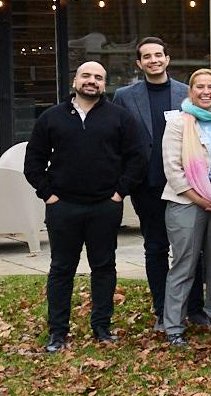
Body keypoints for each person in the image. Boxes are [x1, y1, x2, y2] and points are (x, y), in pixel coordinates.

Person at [24, 59, 143, 351]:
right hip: (63, 206)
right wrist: (48, 195)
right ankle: (58, 333)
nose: (92, 81)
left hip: (105, 205)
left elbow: (137, 158)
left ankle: (102, 328)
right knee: (61, 269)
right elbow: (34, 161)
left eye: (99, 77)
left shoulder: (119, 117)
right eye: (86, 76)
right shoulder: (51, 117)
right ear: (75, 81)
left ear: (105, 84)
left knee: (104, 267)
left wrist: (119, 193)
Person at [111, 36, 185, 329]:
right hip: (147, 186)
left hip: (183, 186)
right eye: (147, 56)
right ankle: (162, 310)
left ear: (167, 59)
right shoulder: (125, 96)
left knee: (188, 250)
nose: (154, 60)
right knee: (155, 248)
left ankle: (192, 307)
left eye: (159, 54)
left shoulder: (185, 93)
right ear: (139, 63)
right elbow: (117, 140)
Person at [158, 68, 211, 347]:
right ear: (190, 91)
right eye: (199, 87)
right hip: (187, 199)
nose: (206, 92)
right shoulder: (178, 123)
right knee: (184, 263)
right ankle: (174, 326)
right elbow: (173, 169)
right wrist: (201, 199)